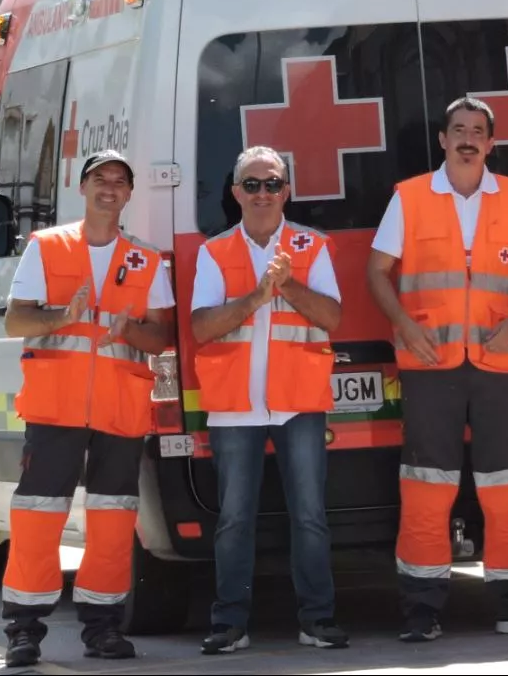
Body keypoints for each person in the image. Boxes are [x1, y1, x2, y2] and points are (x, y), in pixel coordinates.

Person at [366, 96, 508, 642]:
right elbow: (377, 270)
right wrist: (406, 328)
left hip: (498, 363)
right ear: (442, 139)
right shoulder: (409, 198)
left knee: (505, 485)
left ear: (490, 143)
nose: (466, 138)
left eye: (477, 131)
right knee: (425, 487)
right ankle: (422, 607)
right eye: (457, 129)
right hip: (430, 362)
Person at [0, 149, 176, 667]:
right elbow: (16, 323)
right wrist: (62, 316)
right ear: (84, 187)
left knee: (112, 522)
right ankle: (24, 631)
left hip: (119, 410)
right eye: (101, 179)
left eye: (120, 181)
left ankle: (103, 628)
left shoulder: (145, 259)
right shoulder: (48, 247)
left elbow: (162, 335)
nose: (110, 188)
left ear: (128, 194)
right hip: (55, 410)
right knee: (37, 518)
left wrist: (131, 330)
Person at [190, 146, 349, 655]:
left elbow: (331, 317)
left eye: (273, 183)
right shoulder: (214, 252)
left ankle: (318, 620)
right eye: (252, 184)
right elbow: (200, 327)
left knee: (310, 515)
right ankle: (230, 623)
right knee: (234, 518)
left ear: (287, 191)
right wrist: (257, 298)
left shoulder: (312, 245)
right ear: (236, 193)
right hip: (235, 405)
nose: (263, 193)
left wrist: (289, 285)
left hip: (298, 401)